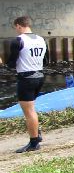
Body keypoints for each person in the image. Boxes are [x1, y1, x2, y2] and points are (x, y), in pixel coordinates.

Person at [7, 16, 46, 153]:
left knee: (28, 112)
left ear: (19, 26)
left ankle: (34, 143)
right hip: (39, 76)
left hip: (26, 78)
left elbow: (12, 63)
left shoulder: (18, 40)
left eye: (15, 28)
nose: (16, 30)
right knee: (32, 108)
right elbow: (45, 61)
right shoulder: (41, 39)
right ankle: (37, 134)